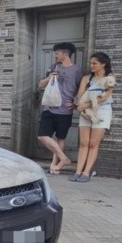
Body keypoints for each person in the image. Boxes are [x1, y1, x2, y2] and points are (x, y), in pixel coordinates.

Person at [36, 42, 81, 174]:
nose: (55, 55)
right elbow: (40, 85)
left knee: (61, 138)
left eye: (57, 53)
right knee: (42, 136)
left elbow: (81, 88)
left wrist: (74, 103)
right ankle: (63, 158)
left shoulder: (77, 70)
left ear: (65, 54)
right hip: (49, 107)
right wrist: (50, 77)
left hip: (65, 110)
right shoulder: (53, 67)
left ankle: (55, 166)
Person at [70, 52, 115, 183]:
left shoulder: (110, 78)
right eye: (90, 63)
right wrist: (83, 110)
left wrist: (85, 105)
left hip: (102, 110)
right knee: (84, 143)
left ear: (103, 64)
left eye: (94, 63)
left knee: (93, 143)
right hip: (85, 111)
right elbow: (80, 96)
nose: (92, 65)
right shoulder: (86, 78)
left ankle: (86, 172)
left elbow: (104, 97)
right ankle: (78, 171)